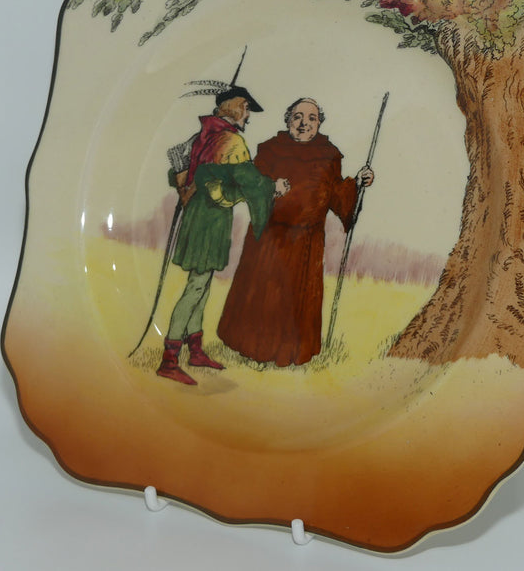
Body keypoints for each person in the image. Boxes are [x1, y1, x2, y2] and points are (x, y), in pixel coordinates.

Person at [217, 97, 374, 366]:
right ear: (288, 119)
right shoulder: (270, 150)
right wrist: (270, 188)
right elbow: (252, 186)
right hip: (269, 239)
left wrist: (358, 184)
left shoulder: (329, 155)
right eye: (298, 117)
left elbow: (337, 196)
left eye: (312, 118)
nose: (304, 123)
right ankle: (253, 347)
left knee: (295, 298)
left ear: (319, 123)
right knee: (265, 294)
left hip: (306, 243)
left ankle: (291, 351)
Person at [157, 86, 290, 385]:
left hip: (203, 218)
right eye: (246, 107)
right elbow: (242, 184)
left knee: (202, 285)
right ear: (231, 106)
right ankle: (169, 359)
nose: (248, 115)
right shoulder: (230, 141)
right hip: (208, 220)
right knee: (196, 286)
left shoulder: (204, 136)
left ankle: (195, 350)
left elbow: (189, 177)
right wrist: (273, 188)